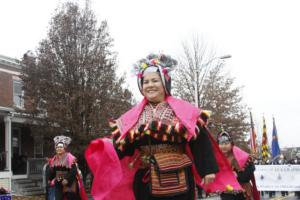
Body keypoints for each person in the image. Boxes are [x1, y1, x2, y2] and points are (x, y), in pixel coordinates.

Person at [85, 53, 242, 200]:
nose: (150, 85)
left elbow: (199, 140)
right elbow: (126, 146)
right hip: (145, 178)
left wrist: (207, 169)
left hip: (178, 176)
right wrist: (106, 150)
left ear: (165, 82)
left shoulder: (183, 111)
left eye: (155, 80)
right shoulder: (133, 117)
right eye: (145, 82)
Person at [217, 130, 260, 200]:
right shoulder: (217, 158)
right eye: (221, 144)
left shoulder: (241, 156)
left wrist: (237, 175)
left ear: (231, 144)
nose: (223, 146)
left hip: (242, 193)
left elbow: (250, 172)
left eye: (226, 143)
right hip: (226, 193)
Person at [49, 135, 88, 200]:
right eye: (57, 147)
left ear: (64, 148)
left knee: (71, 197)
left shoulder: (70, 157)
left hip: (70, 181)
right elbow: (53, 170)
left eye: (60, 147)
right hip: (59, 180)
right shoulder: (54, 159)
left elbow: (73, 170)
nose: (58, 148)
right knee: (58, 198)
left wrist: (67, 179)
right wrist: (50, 178)